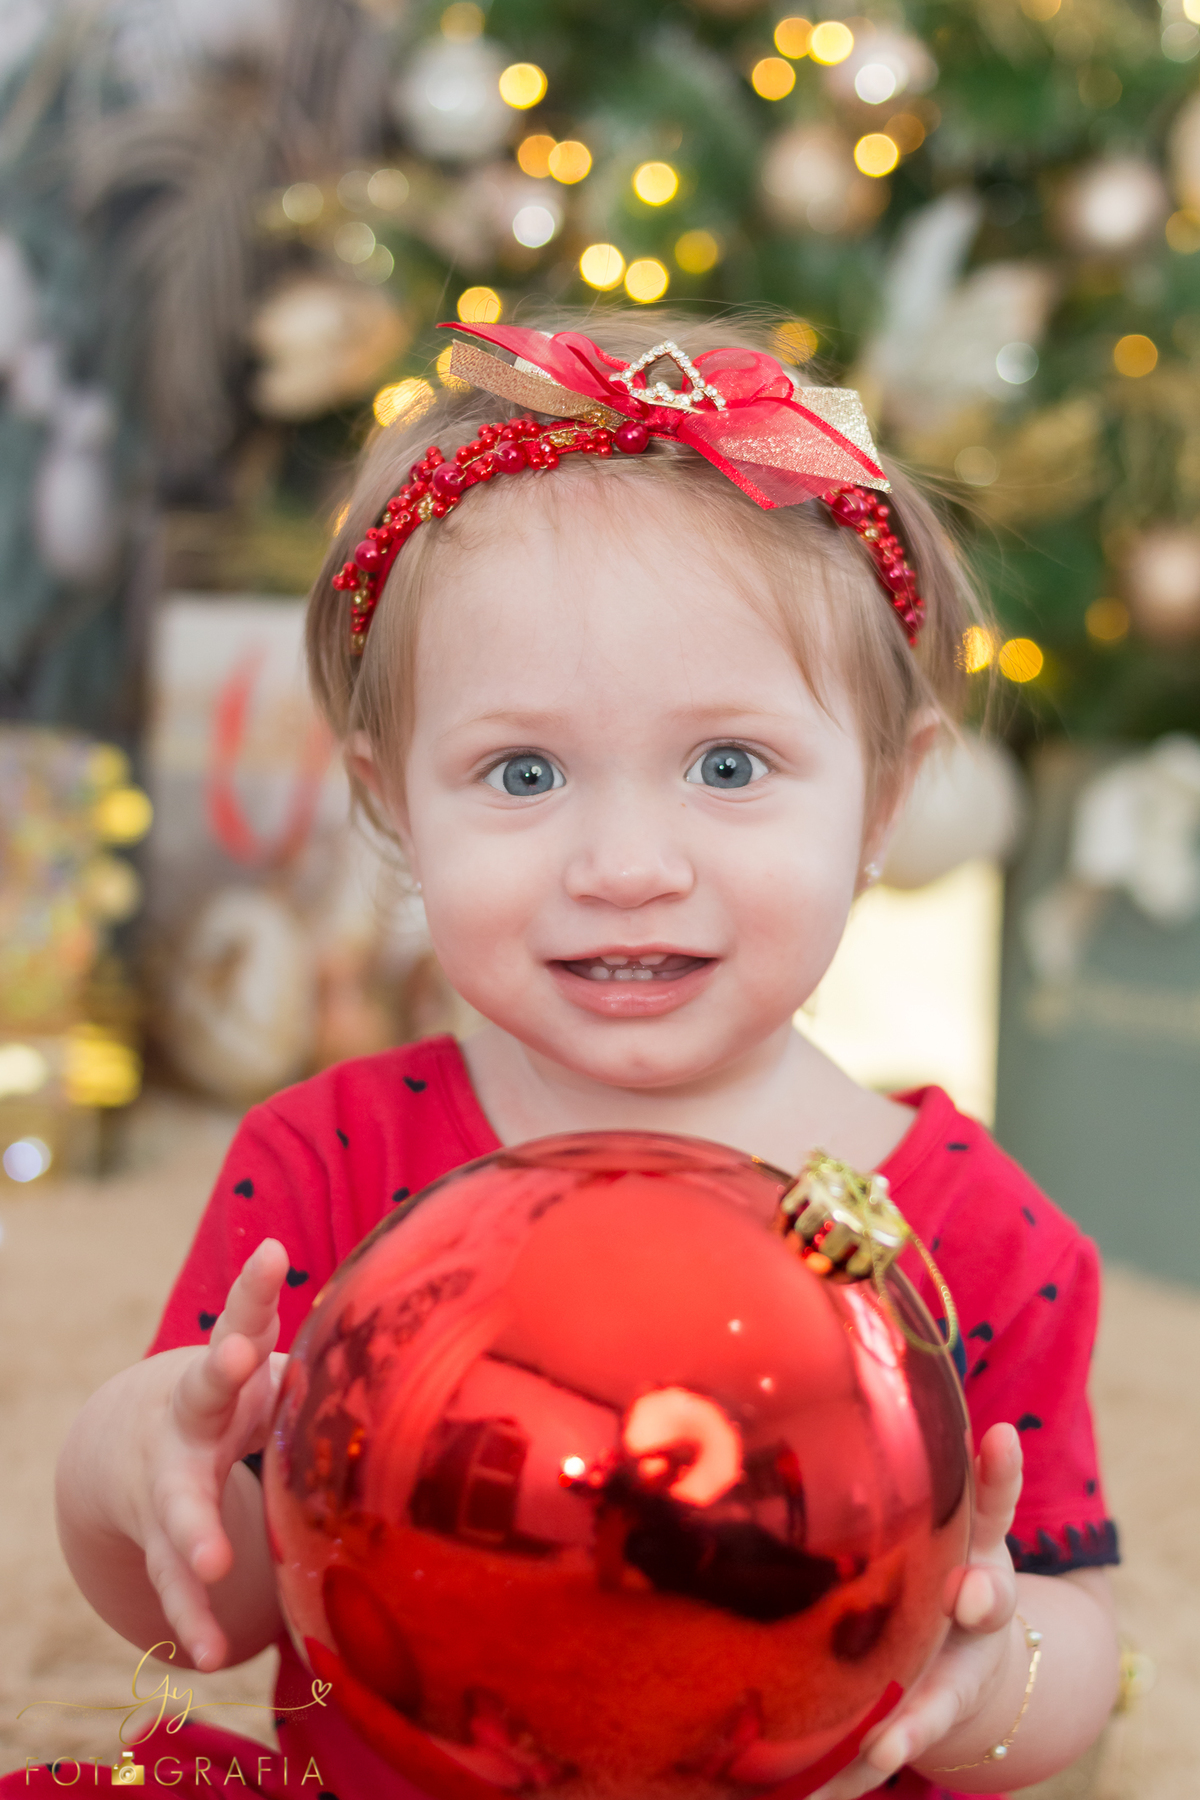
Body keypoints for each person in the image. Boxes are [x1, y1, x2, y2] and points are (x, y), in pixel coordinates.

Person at [33, 313, 1120, 1800]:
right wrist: (128, 1459)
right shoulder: (327, 1164)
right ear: (394, 803)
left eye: (728, 767)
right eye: (522, 772)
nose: (623, 865)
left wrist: (998, 1668)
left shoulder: (981, 1231)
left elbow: (1081, 1657)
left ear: (883, 802)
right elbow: (211, 1611)